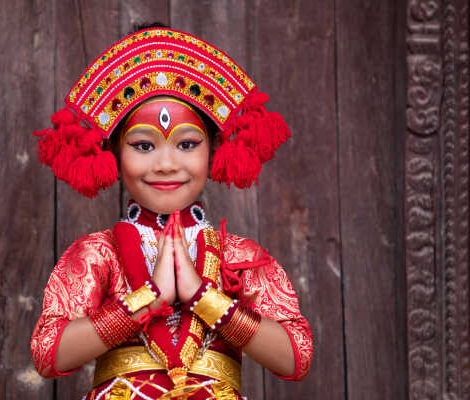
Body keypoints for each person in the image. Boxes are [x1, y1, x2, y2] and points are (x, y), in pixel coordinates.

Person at [30, 25, 312, 399]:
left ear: (213, 148)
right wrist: (148, 299)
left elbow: (297, 356)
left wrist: (203, 297)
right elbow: (47, 353)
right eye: (144, 146)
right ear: (114, 151)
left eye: (187, 144)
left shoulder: (239, 256)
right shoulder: (96, 254)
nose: (166, 164)